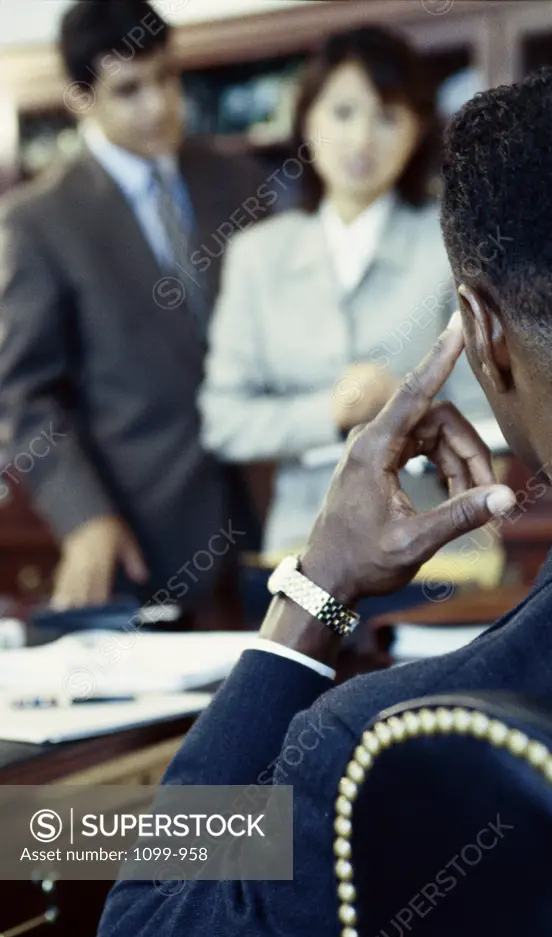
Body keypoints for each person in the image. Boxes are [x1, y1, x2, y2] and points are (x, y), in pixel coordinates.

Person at [85, 55, 552, 937]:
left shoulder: (382, 755)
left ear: (480, 331)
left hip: (351, 615)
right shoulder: (262, 254)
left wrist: (312, 591)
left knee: (38, 839)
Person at [0, 0, 264, 620]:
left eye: (167, 78)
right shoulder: (40, 221)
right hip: (141, 530)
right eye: (128, 89)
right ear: (80, 98)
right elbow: (23, 398)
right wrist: (85, 516)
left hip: (269, 510)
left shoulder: (239, 181)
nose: (158, 106)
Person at [199, 25, 491, 556]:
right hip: (301, 547)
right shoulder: (257, 256)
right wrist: (332, 409)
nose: (361, 140)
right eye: (342, 113)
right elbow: (224, 421)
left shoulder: (453, 244)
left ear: (418, 128)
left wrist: (403, 402)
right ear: (308, 120)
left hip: (440, 542)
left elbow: (497, 414)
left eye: (387, 116)